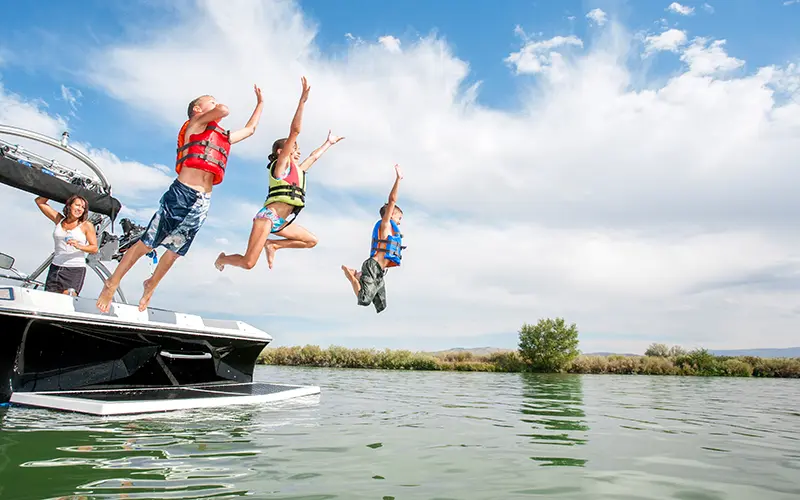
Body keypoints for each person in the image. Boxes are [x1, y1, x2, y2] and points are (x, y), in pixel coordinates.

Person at [96, 85, 265, 313]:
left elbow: (250, 129)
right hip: (182, 194)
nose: (216, 104)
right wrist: (218, 107)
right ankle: (112, 282)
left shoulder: (222, 136)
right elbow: (223, 110)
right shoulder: (195, 125)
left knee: (176, 251)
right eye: (211, 101)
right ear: (197, 109)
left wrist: (260, 104)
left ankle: (151, 283)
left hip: (202, 202)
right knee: (148, 243)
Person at [214, 76, 344, 272]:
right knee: (248, 263)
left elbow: (314, 157)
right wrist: (302, 102)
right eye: (294, 149)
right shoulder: (281, 166)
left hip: (281, 222)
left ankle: (273, 245)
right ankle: (223, 259)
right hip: (268, 217)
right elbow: (295, 131)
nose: (298, 152)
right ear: (281, 152)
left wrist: (329, 143)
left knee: (311, 241)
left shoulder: (298, 170)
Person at [341, 164, 405, 313]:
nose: (400, 222)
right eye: (399, 218)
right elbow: (392, 200)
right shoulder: (385, 224)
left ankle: (359, 276)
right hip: (372, 266)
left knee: (381, 306)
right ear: (391, 214)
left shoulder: (392, 231)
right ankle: (352, 276)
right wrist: (398, 179)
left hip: (379, 271)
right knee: (364, 299)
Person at [34, 195, 98, 296]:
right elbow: (39, 202)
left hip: (74, 269)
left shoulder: (86, 225)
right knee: (49, 298)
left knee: (66, 299)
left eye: (83, 207)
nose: (80, 209)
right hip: (56, 267)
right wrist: (56, 188)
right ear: (69, 205)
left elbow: (94, 248)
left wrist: (79, 246)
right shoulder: (59, 220)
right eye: (77, 205)